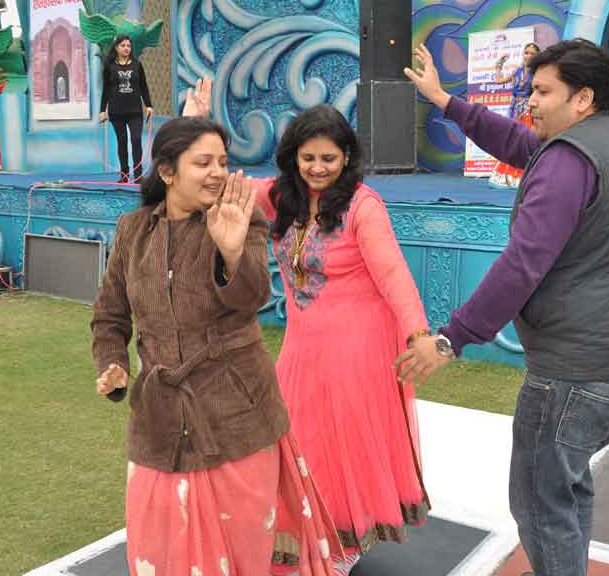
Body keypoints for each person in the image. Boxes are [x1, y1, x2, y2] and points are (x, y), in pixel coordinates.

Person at [399, 40, 609, 576]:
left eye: (543, 92)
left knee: (541, 503)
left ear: (582, 98)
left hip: (578, 374)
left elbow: (523, 263)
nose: (532, 102)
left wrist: (451, 339)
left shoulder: (570, 159)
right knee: (563, 489)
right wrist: (445, 100)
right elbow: (521, 144)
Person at [181, 82, 431, 571]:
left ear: (346, 158)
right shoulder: (283, 198)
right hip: (302, 347)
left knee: (341, 448)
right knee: (293, 443)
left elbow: (394, 275)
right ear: (293, 157)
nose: (318, 168)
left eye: (329, 159)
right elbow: (215, 184)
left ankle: (344, 543)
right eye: (308, 158)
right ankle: (310, 536)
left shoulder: (363, 207)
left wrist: (419, 336)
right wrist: (194, 127)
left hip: (357, 350)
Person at [91, 116, 341, 576]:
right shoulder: (132, 230)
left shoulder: (241, 217)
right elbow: (110, 314)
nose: (217, 173)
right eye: (203, 162)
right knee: (158, 551)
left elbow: (253, 297)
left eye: (223, 162)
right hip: (159, 422)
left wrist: (231, 250)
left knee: (244, 553)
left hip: (237, 416)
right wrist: (113, 363)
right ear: (167, 171)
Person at [100, 35, 153, 183]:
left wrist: (149, 105)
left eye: (128, 46)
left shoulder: (137, 65)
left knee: (136, 140)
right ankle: (124, 175)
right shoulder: (110, 66)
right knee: (122, 142)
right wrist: (102, 110)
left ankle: (138, 176)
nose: (126, 48)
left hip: (135, 112)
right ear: (116, 47)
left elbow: (143, 86)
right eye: (123, 45)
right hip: (116, 112)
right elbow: (106, 90)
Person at [489, 42, 541, 188]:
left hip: (529, 111)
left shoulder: (538, 73)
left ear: (537, 56)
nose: (529, 56)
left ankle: (526, 175)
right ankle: (508, 176)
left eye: (532, 53)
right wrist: (499, 66)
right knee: (513, 140)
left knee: (525, 141)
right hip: (514, 110)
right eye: (526, 52)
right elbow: (499, 81)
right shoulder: (517, 71)